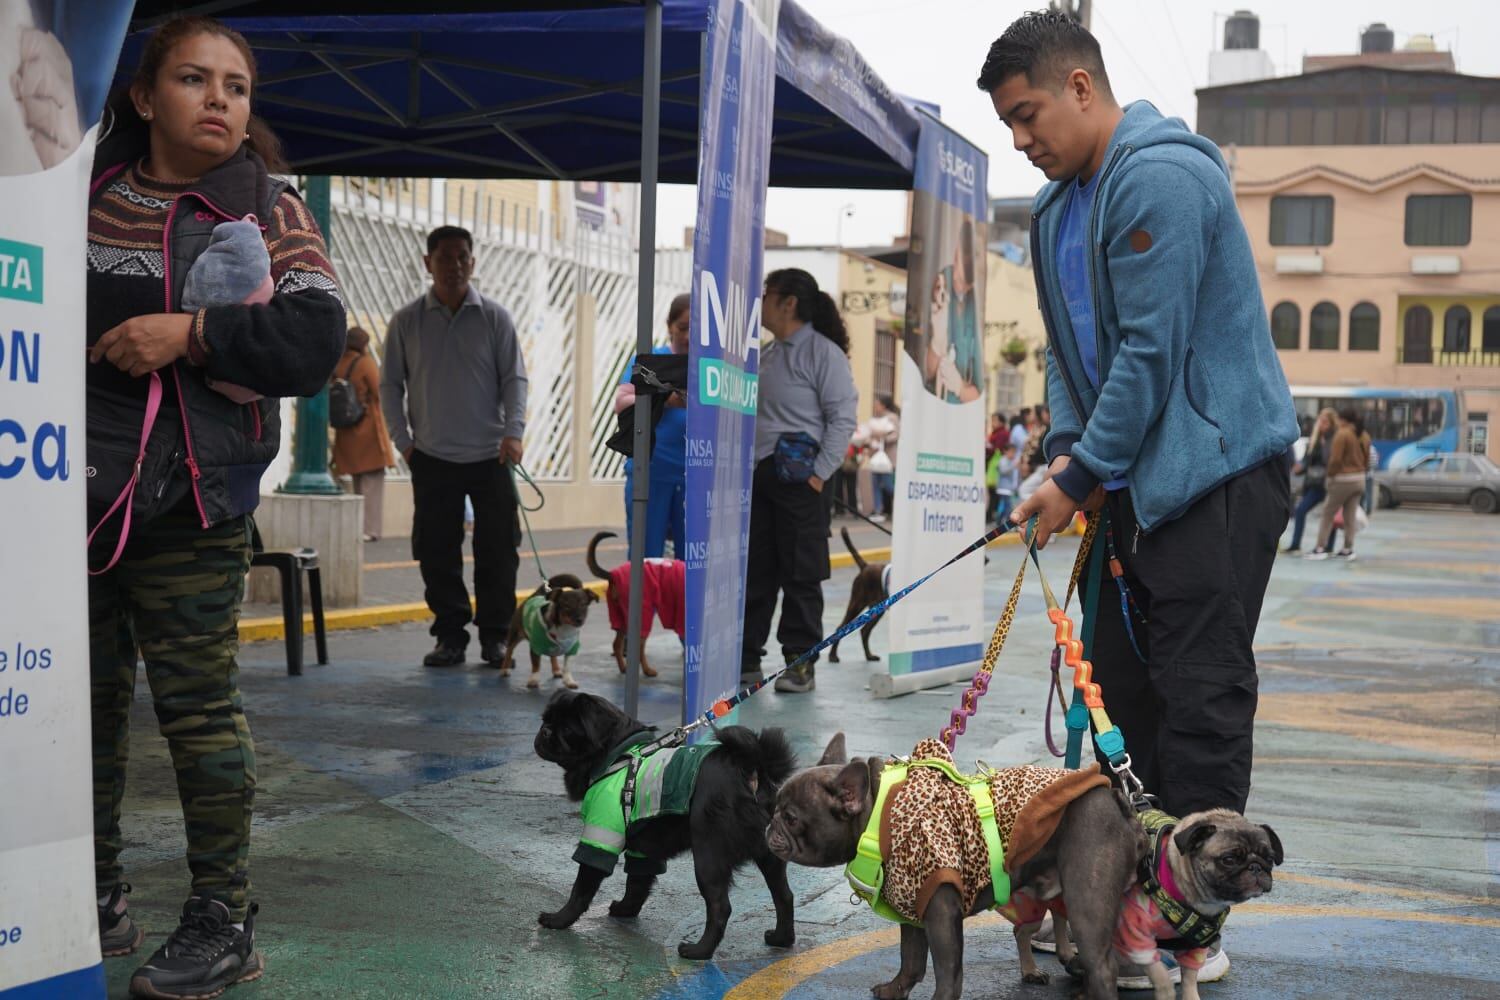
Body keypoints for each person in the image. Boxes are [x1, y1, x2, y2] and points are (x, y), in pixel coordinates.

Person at [980, 8, 1295, 817]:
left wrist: (1081, 470)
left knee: (1198, 697)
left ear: (1079, 87)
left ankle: (1191, 931)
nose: (1019, 139)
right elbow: (1065, 350)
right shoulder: (1054, 211)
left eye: (1027, 115)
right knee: (1117, 696)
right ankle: (1128, 904)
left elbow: (1149, 352)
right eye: (1007, 123)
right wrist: (1064, 454)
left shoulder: (1160, 177)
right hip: (1128, 490)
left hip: (1212, 478)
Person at [85, 16, 345, 997]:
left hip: (196, 505)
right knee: (86, 710)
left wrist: (189, 332)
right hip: (72, 501)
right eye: (194, 80)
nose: (220, 100)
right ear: (145, 96)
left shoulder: (270, 209)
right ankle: (93, 893)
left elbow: (315, 338)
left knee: (197, 714)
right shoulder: (83, 200)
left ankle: (221, 919)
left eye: (236, 85)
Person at [382, 225, 529, 668]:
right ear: (428, 263)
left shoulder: (495, 317)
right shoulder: (406, 321)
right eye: (445, 257)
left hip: (492, 456)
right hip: (431, 458)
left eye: (463, 257)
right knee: (437, 552)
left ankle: (495, 637)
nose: (455, 266)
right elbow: (390, 386)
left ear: (473, 262)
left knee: (498, 551)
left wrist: (514, 432)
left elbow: (514, 380)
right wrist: (405, 444)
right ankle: (450, 636)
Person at [741, 268, 858, 694]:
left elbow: (843, 418)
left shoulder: (823, 354)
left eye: (767, 293)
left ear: (788, 302)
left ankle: (799, 663)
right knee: (756, 570)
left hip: (801, 479)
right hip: (762, 476)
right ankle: (746, 660)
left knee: (801, 572)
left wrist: (818, 476)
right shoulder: (768, 355)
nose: (762, 302)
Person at [614, 292, 689, 557]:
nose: (689, 336)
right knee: (646, 559)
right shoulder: (651, 360)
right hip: (651, 473)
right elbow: (622, 402)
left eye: (696, 329)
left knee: (690, 564)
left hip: (695, 479)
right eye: (683, 328)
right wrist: (666, 398)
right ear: (669, 325)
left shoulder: (710, 365)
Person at [331, 326, 397, 542]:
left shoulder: (338, 363)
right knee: (373, 481)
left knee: (358, 481)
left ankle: (359, 526)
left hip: (347, 431)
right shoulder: (366, 363)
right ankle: (370, 529)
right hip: (368, 429)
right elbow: (380, 392)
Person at [1308, 408, 1368, 561]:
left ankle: (1320, 548)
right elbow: (1367, 459)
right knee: (1350, 516)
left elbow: (1335, 460)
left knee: (1327, 513)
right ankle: (1348, 549)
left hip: (1343, 479)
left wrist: (1330, 476)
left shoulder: (1342, 434)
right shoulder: (1364, 435)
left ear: (1342, 420)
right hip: (1360, 479)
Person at [1285, 407, 1336, 553]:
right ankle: (1295, 544)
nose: (1321, 424)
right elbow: (1307, 461)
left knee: (1329, 514)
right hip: (1314, 483)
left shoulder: (1334, 439)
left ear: (1332, 423)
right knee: (1301, 510)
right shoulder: (1315, 439)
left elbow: (1332, 461)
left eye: (1325, 422)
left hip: (1328, 483)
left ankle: (1329, 546)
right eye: (1320, 421)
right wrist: (1298, 468)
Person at [866, 395, 900, 522]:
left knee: (888, 485)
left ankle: (901, 504)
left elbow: (896, 435)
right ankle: (878, 510)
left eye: (877, 404)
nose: (875, 407)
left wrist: (882, 438)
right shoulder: (874, 420)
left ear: (883, 406)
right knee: (875, 484)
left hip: (888, 458)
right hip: (876, 457)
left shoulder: (892, 418)